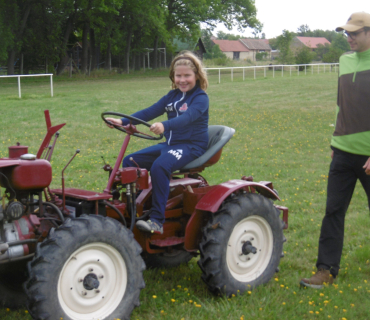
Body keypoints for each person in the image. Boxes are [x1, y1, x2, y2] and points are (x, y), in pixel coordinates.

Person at [300, 12, 370, 289]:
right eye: (346, 33)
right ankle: (325, 270)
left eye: (354, 32)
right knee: (333, 211)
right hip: (342, 151)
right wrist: (335, 141)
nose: (349, 37)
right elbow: (342, 104)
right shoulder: (344, 60)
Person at [106, 51, 209, 234]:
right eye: (179, 76)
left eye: (187, 75)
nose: (182, 80)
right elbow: (150, 112)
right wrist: (123, 121)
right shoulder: (171, 97)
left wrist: (165, 125)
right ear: (173, 76)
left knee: (160, 166)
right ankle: (135, 207)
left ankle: (156, 221)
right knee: (131, 161)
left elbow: (188, 118)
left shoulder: (200, 98)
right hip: (170, 145)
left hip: (190, 146)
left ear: (197, 76)